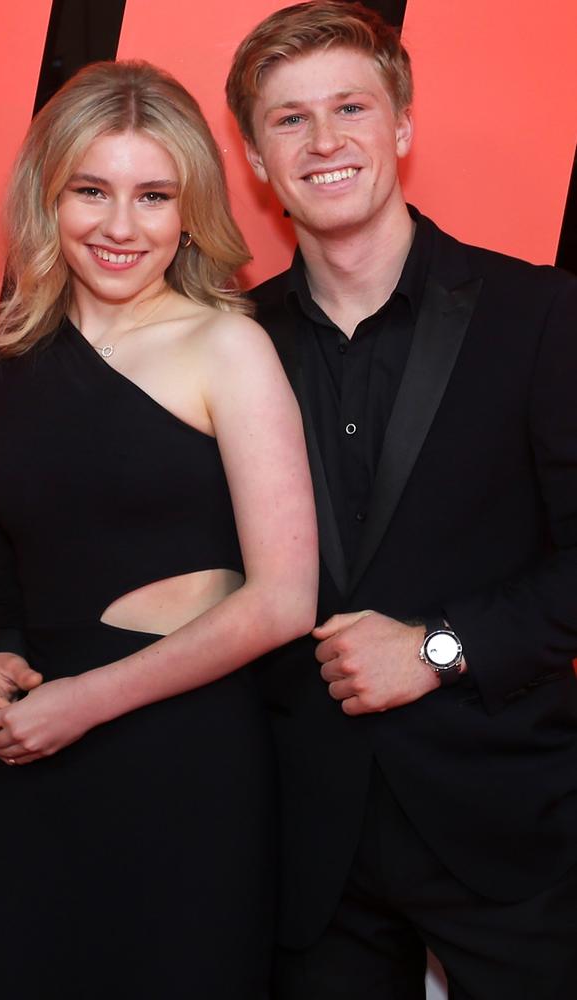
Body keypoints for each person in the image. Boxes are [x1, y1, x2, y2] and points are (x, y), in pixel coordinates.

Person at [0, 59, 318, 999]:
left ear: (189, 210)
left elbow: (283, 602)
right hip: (29, 774)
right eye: (90, 191)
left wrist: (84, 702)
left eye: (154, 195)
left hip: (187, 772)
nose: (119, 226)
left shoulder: (228, 346)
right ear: (46, 197)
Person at [221, 2, 576, 997]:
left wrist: (436, 647)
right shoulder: (226, 342)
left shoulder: (539, 315)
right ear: (253, 157)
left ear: (402, 128)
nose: (323, 141)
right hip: (301, 853)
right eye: (287, 119)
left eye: (349, 108)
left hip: (507, 832)